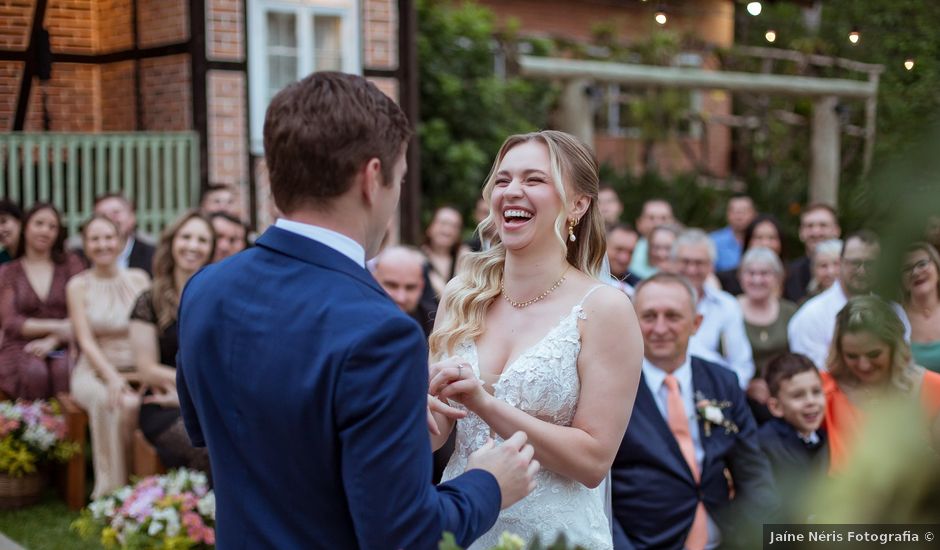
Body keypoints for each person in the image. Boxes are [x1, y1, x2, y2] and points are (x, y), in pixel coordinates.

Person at [176, 72, 538, 549]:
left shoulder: (206, 288)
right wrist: (488, 484)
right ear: (372, 179)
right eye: (400, 179)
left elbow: (215, 431)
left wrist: (390, 435)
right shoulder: (379, 331)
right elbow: (404, 536)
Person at [427, 130, 642, 549]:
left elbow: (593, 460)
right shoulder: (462, 294)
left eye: (534, 180)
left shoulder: (604, 309)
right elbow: (436, 430)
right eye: (503, 180)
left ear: (578, 204)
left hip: (555, 536)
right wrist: (418, 413)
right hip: (464, 526)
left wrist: (485, 404)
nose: (512, 192)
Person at [611, 273, 777, 550]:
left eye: (673, 316)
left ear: (696, 323)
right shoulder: (613, 386)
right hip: (646, 542)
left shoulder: (722, 382)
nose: (660, 328)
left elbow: (752, 471)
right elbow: (599, 488)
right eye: (649, 316)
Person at [67, 216, 150, 498]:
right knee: (113, 401)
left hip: (137, 366)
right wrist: (112, 377)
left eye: (108, 238)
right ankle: (113, 489)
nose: (103, 245)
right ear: (86, 245)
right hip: (93, 369)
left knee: (135, 403)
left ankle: (141, 486)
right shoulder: (78, 285)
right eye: (95, 239)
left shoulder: (139, 278)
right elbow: (85, 340)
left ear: (120, 241)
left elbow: (148, 330)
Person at [130, 211, 214, 473]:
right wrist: (190, 390)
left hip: (209, 400)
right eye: (186, 237)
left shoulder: (219, 296)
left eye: (202, 240)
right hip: (162, 400)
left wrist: (193, 394)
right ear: (172, 243)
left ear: (211, 249)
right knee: (207, 449)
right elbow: (146, 368)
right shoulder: (149, 300)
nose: (193, 246)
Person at [821, 295, 940, 472]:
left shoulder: (930, 387)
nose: (863, 365)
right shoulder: (824, 389)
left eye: (874, 354)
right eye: (852, 356)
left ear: (895, 347)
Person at [788, 230, 910, 370]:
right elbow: (813, 375)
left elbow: (903, 364)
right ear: (840, 263)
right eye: (855, 263)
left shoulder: (894, 312)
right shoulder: (810, 316)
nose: (862, 271)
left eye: (870, 264)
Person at [0, 203, 84, 399]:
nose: (45, 230)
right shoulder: (9, 272)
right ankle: (34, 427)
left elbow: (82, 312)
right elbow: (11, 322)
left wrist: (53, 339)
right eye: (39, 223)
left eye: (52, 226)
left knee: (65, 369)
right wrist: (59, 326)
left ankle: (72, 429)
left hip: (66, 342)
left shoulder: (71, 264)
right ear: (26, 226)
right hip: (21, 344)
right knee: (33, 371)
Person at [673, 229, 755, 388]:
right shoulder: (655, 302)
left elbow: (742, 365)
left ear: (711, 266)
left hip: (717, 393)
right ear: (673, 263)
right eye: (685, 262)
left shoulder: (727, 305)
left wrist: (725, 395)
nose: (692, 270)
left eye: (699, 263)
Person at [757, 353, 828, 514]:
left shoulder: (826, 438)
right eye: (798, 395)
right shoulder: (764, 443)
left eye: (816, 392)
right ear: (776, 407)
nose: (811, 401)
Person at [737, 248, 798, 414]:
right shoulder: (729, 310)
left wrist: (774, 386)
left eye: (765, 273)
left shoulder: (791, 312)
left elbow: (797, 357)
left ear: (777, 278)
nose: (757, 279)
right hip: (739, 398)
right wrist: (748, 386)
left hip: (783, 398)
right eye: (750, 273)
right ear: (741, 277)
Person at [784, 204, 841, 302]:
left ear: (836, 230)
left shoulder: (850, 269)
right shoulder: (789, 274)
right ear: (801, 232)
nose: (816, 232)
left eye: (823, 225)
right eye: (809, 226)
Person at [717, 214, 784, 296]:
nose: (765, 244)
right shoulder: (725, 280)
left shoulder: (794, 276)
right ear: (748, 242)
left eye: (771, 238)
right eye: (759, 237)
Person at [93, 193, 156, 277]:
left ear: (132, 217)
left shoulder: (152, 255)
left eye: (115, 213)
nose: (109, 219)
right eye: (102, 215)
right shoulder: (80, 256)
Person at [901, 242, 940, 372]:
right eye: (907, 268)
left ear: (937, 269)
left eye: (922, 264)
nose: (916, 272)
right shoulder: (895, 318)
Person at [422, 206, 471, 297]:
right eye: (443, 223)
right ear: (430, 227)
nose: (448, 230)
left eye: (454, 226)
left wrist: (463, 261)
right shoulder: (418, 258)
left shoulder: (464, 258)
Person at [710, 194, 756, 272]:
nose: (739, 216)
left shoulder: (762, 240)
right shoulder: (712, 241)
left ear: (754, 214)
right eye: (735, 212)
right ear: (727, 214)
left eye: (744, 211)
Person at [630, 199, 675, 278]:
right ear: (639, 223)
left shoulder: (684, 248)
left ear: (673, 222)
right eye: (651, 218)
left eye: (663, 218)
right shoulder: (630, 248)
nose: (657, 223)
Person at [606, 223, 641, 295]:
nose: (624, 258)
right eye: (619, 249)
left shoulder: (639, 286)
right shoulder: (586, 279)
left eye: (630, 252)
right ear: (603, 247)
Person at [0, 200, 23, 264]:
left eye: (3, 221)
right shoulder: (1, 260)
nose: (0, 230)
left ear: (19, 222)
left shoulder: (35, 255)